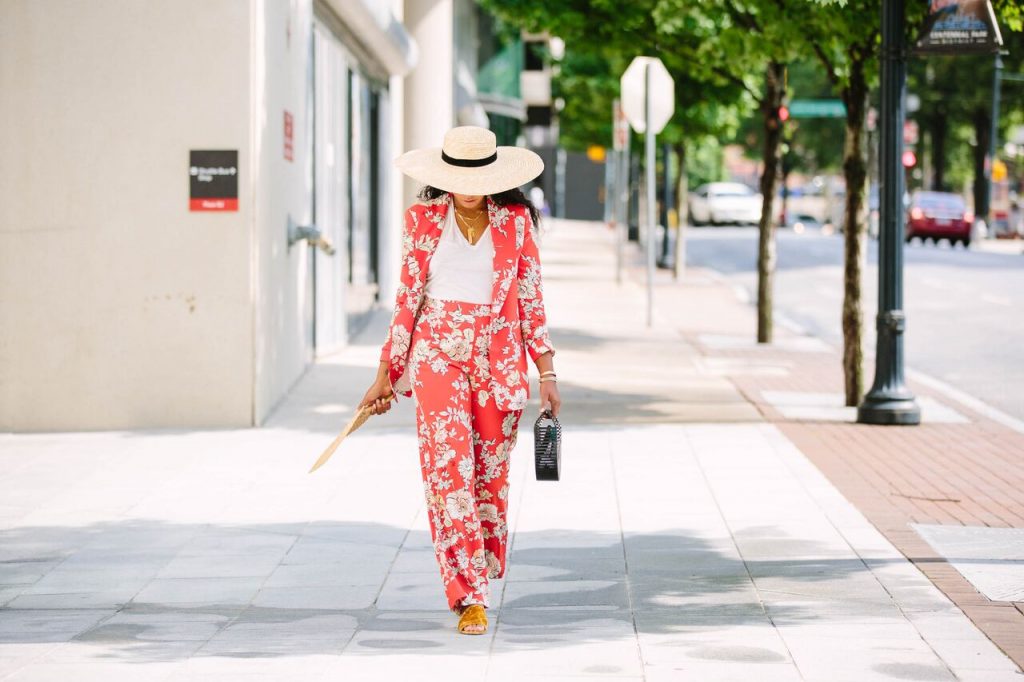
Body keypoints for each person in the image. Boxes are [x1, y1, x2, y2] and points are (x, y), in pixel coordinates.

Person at [359, 126, 561, 635]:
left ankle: (482, 563)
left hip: (499, 359)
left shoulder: (516, 222)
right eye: (459, 178)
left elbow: (531, 301)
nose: (468, 188)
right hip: (436, 355)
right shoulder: (422, 219)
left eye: (478, 178)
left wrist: (547, 372)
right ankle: (468, 594)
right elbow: (407, 299)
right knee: (449, 471)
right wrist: (386, 372)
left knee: (489, 474)